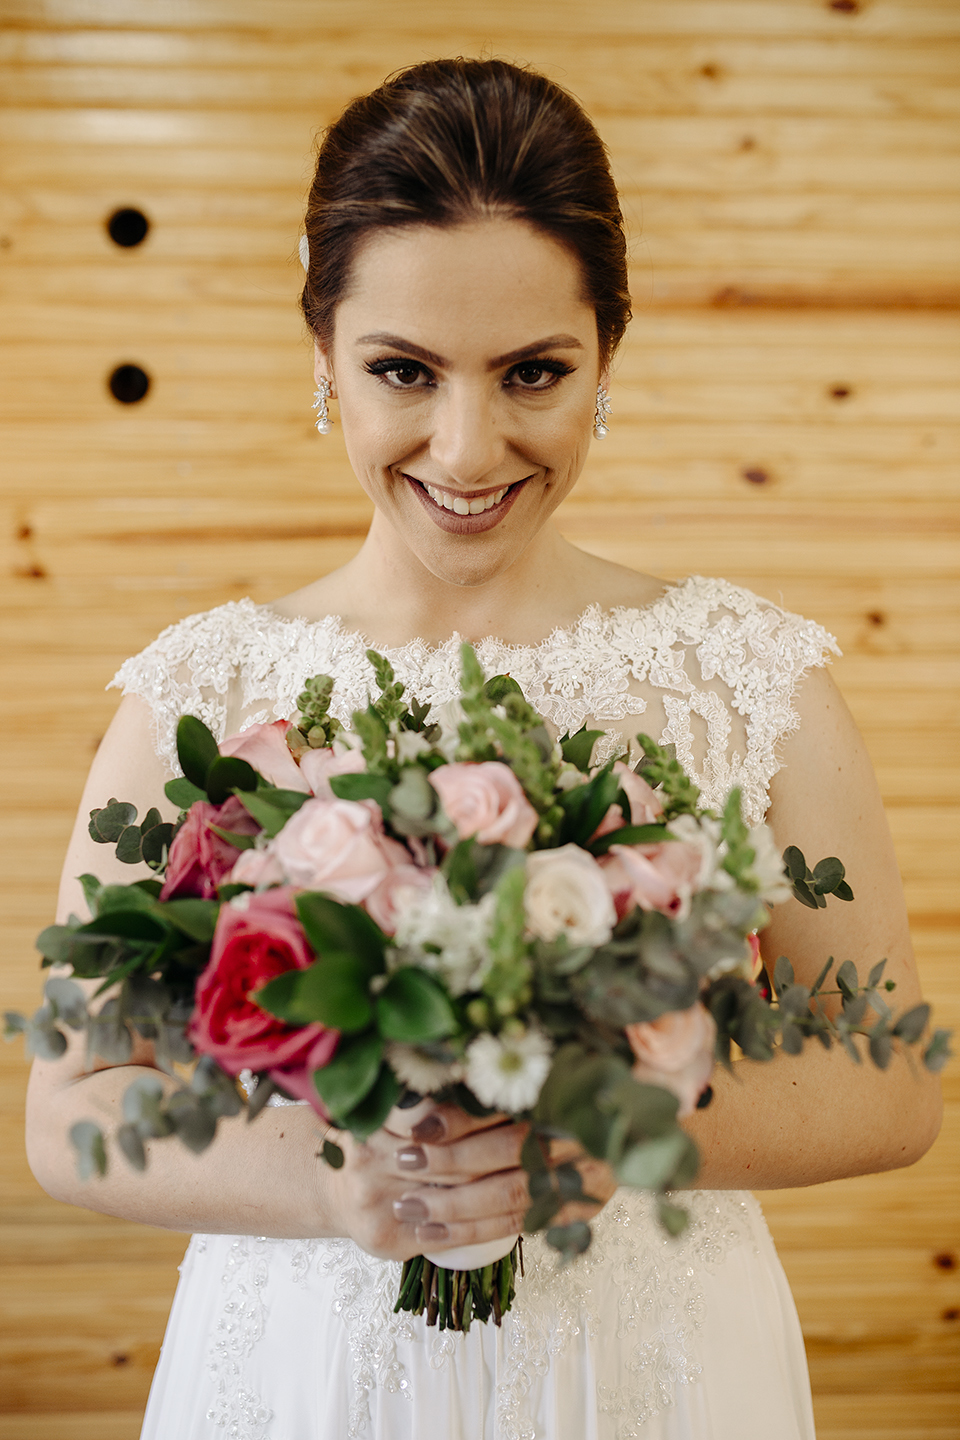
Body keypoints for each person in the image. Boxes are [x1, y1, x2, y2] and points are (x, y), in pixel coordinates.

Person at [25, 58, 941, 1440]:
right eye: (404, 371)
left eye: (532, 373)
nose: (468, 446)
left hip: (655, 1365)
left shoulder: (751, 685)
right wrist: (336, 1183)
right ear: (322, 358)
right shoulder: (196, 696)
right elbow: (73, 1108)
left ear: (606, 359)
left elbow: (887, 1080)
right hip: (311, 1372)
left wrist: (597, 1129)